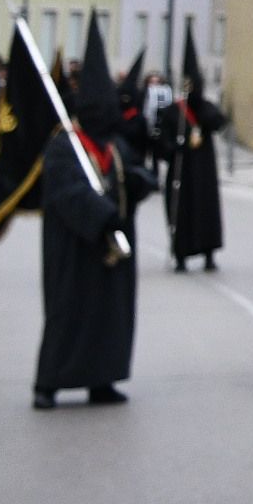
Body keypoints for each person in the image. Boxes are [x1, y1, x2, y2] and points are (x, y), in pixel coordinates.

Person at [32, 27, 155, 408]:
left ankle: (103, 379)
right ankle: (48, 383)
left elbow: (136, 174)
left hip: (112, 251)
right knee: (69, 313)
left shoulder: (116, 147)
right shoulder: (64, 145)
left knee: (111, 317)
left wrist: (138, 183)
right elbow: (67, 193)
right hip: (75, 249)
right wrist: (102, 216)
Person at [159, 41, 225, 273]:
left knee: (206, 212)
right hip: (182, 170)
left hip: (203, 171)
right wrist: (173, 147)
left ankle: (208, 253)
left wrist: (201, 110)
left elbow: (218, 121)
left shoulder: (206, 108)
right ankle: (181, 255)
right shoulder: (173, 112)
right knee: (182, 211)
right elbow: (161, 140)